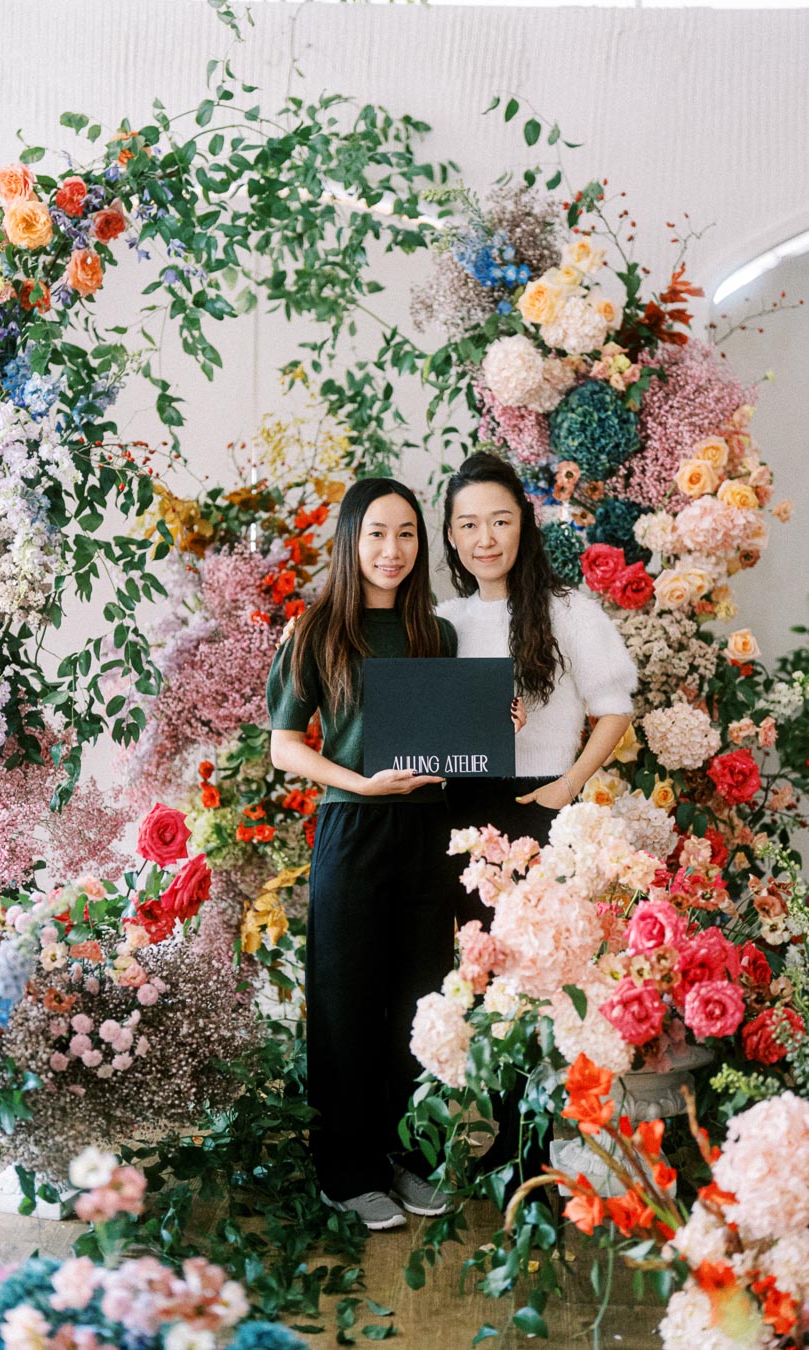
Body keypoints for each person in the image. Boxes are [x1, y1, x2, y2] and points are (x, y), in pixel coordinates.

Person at [438, 449, 637, 1176]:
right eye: (468, 524)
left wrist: (568, 785)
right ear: (451, 536)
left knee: (543, 975)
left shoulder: (568, 610)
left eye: (499, 520)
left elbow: (614, 709)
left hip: (541, 806)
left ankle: (538, 1145)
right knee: (485, 973)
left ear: (523, 524)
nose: (484, 537)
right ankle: (503, 1135)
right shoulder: (443, 620)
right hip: (464, 813)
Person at [267, 477, 458, 1232]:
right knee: (346, 1002)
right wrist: (360, 783)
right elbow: (285, 747)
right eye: (376, 533)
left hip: (427, 833)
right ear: (350, 540)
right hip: (351, 828)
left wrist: (490, 726)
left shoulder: (436, 634)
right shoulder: (316, 631)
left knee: (419, 1002)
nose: (391, 549)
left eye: (406, 533)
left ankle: (409, 1159)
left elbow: (447, 744)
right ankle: (346, 1172)